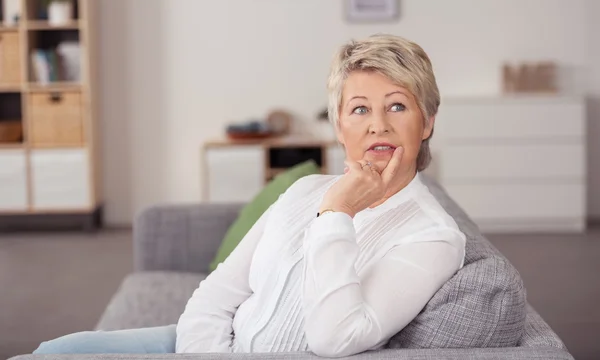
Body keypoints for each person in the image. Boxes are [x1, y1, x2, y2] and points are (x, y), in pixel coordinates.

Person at [34, 34, 466, 357]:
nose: (378, 125)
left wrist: (338, 213)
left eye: (397, 106)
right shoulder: (304, 190)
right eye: (359, 109)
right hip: (212, 346)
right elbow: (218, 292)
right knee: (55, 352)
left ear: (427, 121)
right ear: (338, 126)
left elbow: (336, 337)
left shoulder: (433, 237)